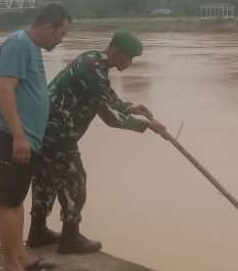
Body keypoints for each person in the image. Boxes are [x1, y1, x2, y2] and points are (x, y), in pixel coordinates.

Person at [27, 29, 167, 254]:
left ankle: (37, 232)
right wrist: (148, 125)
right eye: (128, 57)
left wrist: (130, 107)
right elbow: (110, 116)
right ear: (114, 50)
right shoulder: (93, 71)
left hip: (45, 131)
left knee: (47, 179)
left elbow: (104, 100)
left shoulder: (92, 61)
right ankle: (70, 237)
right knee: (75, 181)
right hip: (58, 134)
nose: (130, 63)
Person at [0, 3, 72, 271]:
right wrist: (19, 135)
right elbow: (4, 90)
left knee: (16, 199)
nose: (62, 40)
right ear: (48, 27)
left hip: (21, 138)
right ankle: (12, 270)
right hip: (8, 136)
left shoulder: (31, 47)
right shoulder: (18, 45)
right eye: (61, 34)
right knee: (8, 201)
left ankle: (21, 255)